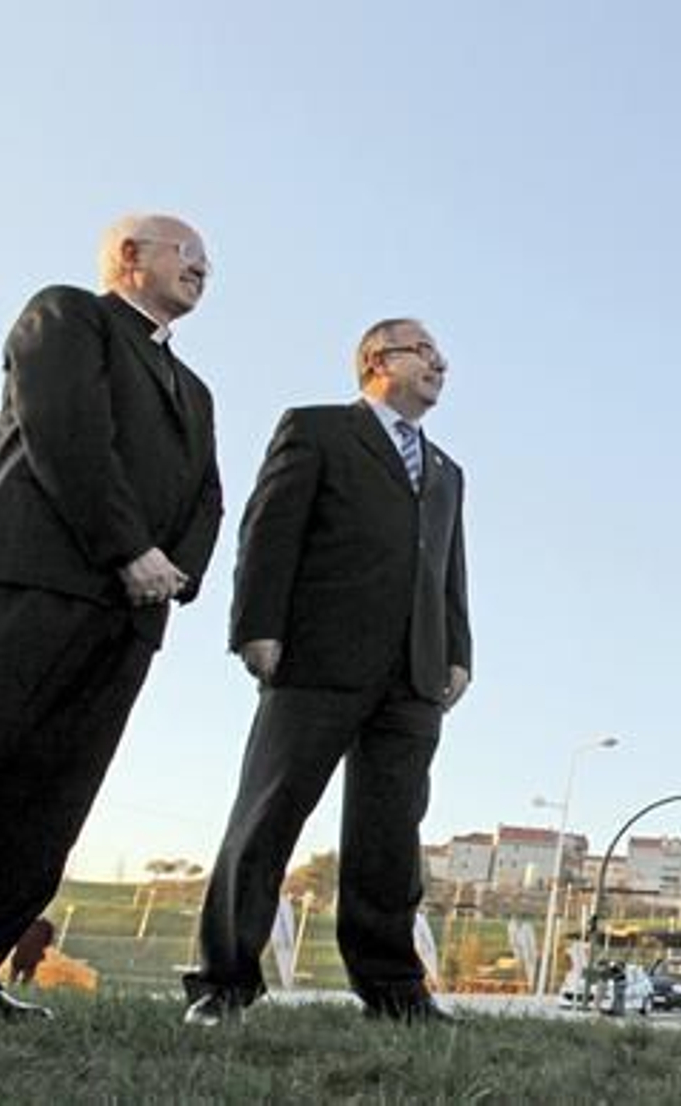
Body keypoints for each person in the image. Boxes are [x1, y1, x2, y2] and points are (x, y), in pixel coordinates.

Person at [0, 215, 222, 1017]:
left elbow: (207, 496)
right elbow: (66, 431)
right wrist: (126, 546)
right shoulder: (68, 315)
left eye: (207, 261)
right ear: (129, 256)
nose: (202, 267)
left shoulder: (196, 390)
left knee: (49, 801)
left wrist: (173, 573)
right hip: (28, 581)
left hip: (129, 615)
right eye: (186, 252)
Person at [183, 318, 471, 1025]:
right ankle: (223, 983)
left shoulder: (446, 472)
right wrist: (256, 626)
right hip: (318, 656)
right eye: (423, 351)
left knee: (390, 835)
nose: (440, 363)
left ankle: (394, 990)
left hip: (414, 676)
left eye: (441, 356)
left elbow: (448, 571)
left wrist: (459, 652)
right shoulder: (316, 430)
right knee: (268, 816)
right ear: (378, 360)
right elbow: (270, 529)